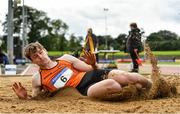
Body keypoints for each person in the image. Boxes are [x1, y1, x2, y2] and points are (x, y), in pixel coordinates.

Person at [12, 42, 151, 100]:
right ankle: (134, 89)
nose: (40, 57)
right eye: (35, 56)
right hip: (84, 89)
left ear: (45, 51)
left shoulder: (65, 59)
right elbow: (37, 98)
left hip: (91, 75)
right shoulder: (38, 78)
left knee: (126, 77)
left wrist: (93, 64)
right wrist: (25, 97)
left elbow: (92, 69)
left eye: (40, 52)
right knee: (113, 85)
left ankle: (153, 86)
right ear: (33, 61)